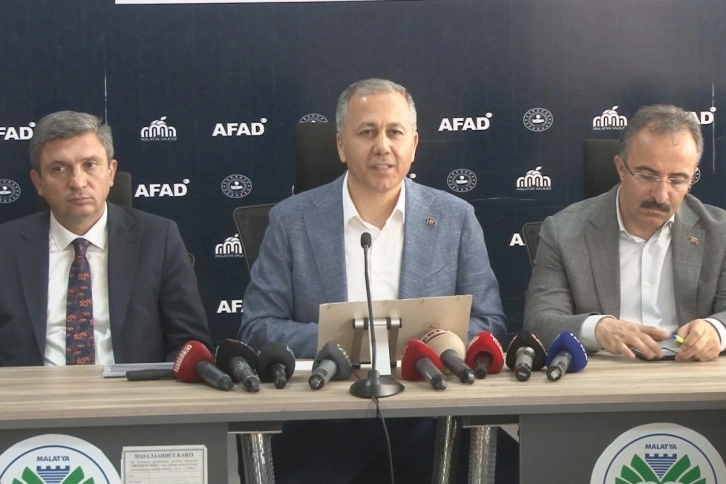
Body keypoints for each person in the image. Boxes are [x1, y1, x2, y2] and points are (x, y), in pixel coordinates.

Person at [239, 79, 509, 483]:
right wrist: (347, 342)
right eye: (367, 132)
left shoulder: (455, 218)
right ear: (341, 146)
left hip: (431, 411)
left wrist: (438, 342)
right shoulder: (291, 221)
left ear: (413, 144)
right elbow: (258, 328)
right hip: (326, 413)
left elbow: (491, 323)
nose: (383, 146)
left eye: (394, 132)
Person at [0, 111, 212, 366]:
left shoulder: (159, 239)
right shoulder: (6, 246)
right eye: (59, 169)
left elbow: (189, 343)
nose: (78, 182)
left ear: (111, 172)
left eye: (90, 165)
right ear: (39, 183)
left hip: (131, 388)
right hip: (30, 389)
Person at [524, 104, 726, 362]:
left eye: (677, 180)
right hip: (603, 377)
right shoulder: (563, 232)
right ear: (621, 168)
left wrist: (716, 330)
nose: (661, 196)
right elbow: (540, 321)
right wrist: (597, 329)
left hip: (688, 372)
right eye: (647, 176)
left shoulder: (719, 232)